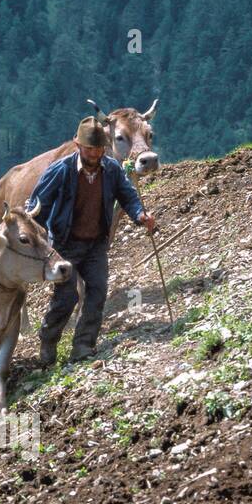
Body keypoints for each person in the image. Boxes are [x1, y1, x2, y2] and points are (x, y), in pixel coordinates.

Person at [25, 116, 157, 365]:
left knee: (97, 292)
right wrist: (38, 241)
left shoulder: (112, 170)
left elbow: (127, 196)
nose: (94, 154)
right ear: (78, 146)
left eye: (98, 149)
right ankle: (48, 342)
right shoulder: (61, 170)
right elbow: (37, 205)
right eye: (89, 149)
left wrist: (140, 214)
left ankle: (83, 345)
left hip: (96, 243)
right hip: (65, 244)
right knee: (67, 296)